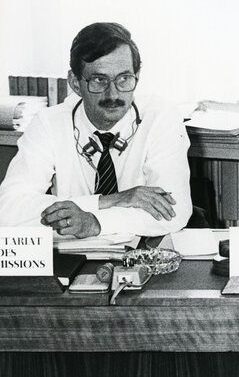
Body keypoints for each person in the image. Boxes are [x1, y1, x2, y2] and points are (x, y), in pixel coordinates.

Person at [0, 22, 192, 238]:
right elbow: (8, 210)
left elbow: (173, 212)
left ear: (137, 76)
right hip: (72, 259)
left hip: (142, 257)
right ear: (75, 82)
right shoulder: (49, 123)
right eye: (99, 80)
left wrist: (94, 222)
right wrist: (110, 200)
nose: (113, 94)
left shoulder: (160, 116)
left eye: (124, 78)